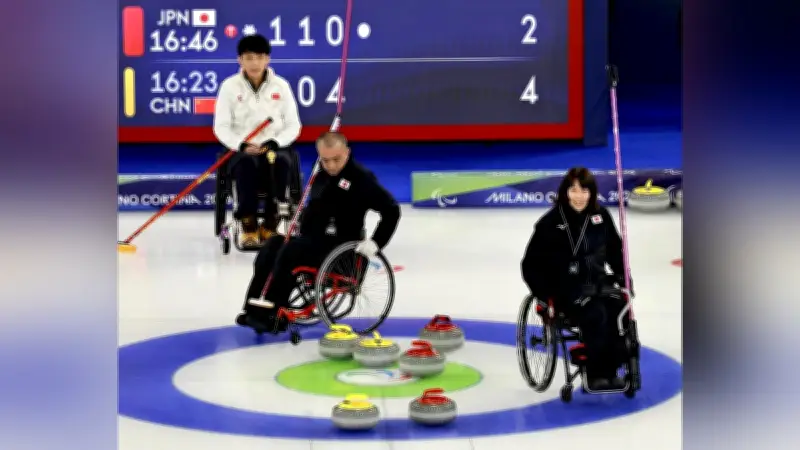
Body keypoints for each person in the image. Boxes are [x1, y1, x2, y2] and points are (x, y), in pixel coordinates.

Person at [236, 131, 401, 333]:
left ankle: (274, 311)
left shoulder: (361, 179)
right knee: (273, 244)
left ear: (347, 153)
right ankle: (253, 307)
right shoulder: (320, 175)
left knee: (291, 251)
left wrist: (376, 242)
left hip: (341, 251)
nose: (330, 165)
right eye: (325, 160)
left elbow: (392, 210)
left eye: (336, 160)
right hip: (314, 241)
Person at [521, 167, 634, 391]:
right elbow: (530, 266)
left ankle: (612, 369)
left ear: (592, 193)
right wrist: (544, 295)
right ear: (565, 192)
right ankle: (596, 372)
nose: (579, 196)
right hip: (566, 289)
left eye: (584, 190)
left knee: (618, 308)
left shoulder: (601, 217)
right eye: (574, 190)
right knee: (596, 313)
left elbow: (615, 251)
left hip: (599, 284)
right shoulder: (550, 223)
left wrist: (625, 278)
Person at [213, 34, 302, 248]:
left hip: (274, 147)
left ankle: (271, 224)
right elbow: (221, 127)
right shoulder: (229, 87)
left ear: (267, 59)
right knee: (245, 163)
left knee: (280, 162)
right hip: (242, 149)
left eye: (260, 57)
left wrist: (275, 142)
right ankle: (249, 225)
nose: (255, 63)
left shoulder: (281, 86)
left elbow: (294, 125)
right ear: (240, 60)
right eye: (249, 58)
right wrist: (241, 145)